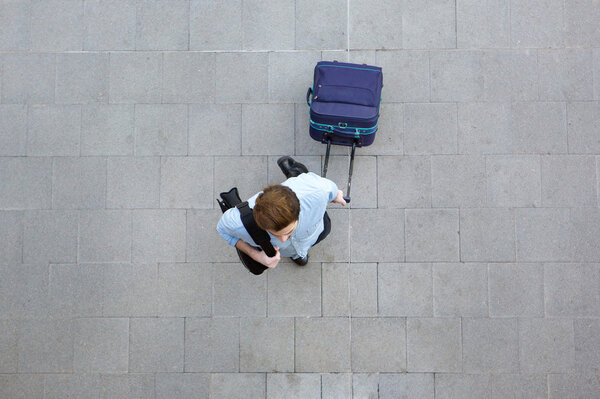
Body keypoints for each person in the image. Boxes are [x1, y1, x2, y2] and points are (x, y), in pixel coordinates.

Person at [217, 156, 346, 269]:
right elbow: (222, 230)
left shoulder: (317, 191)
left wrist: (336, 195)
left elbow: (331, 190)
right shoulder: (235, 222)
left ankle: (295, 173)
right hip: (293, 247)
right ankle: (297, 255)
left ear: (299, 209)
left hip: (317, 233)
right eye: (274, 234)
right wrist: (256, 256)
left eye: (289, 231)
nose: (283, 240)